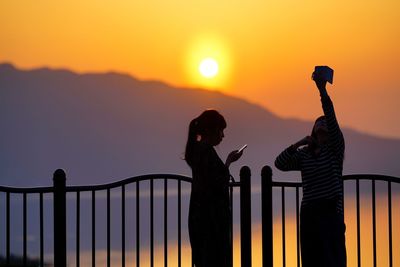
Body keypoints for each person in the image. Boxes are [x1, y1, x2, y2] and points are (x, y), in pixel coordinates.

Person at [274, 73, 347, 267]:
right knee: (311, 260)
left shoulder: (334, 150)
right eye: (318, 122)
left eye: (325, 123)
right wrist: (298, 143)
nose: (323, 123)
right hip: (309, 215)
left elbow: (331, 116)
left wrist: (322, 90)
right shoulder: (304, 154)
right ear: (313, 130)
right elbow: (279, 163)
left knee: (333, 260)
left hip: (331, 213)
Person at [185, 109, 243, 267]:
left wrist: (228, 162)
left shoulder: (197, 150)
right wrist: (229, 162)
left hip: (201, 218)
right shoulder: (205, 151)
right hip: (210, 221)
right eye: (221, 131)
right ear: (211, 130)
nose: (222, 136)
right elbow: (215, 183)